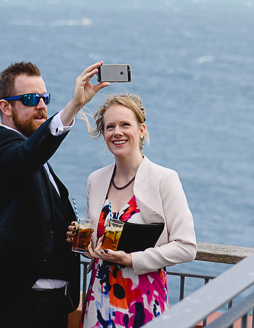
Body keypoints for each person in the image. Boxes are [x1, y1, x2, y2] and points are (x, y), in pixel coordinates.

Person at [0, 60, 109, 328]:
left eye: (44, 97)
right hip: (21, 305)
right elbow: (25, 158)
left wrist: (69, 231)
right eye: (29, 98)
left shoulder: (34, 151)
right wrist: (74, 106)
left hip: (55, 303)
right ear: (5, 106)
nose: (41, 105)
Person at [76, 94, 197, 328]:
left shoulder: (165, 179)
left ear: (141, 130)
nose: (117, 132)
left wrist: (132, 259)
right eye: (110, 127)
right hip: (99, 296)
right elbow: (95, 245)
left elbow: (187, 247)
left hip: (143, 299)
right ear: (103, 135)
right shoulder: (96, 179)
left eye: (125, 125)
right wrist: (82, 242)